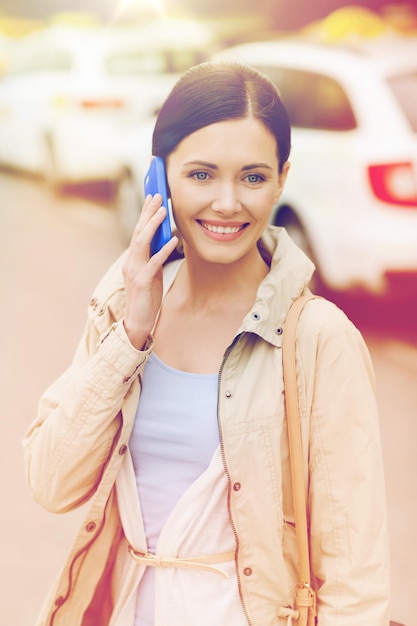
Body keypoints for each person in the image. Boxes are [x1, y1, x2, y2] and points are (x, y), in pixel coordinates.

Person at [23, 61, 390, 626]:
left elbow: (354, 577)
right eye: (200, 175)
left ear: (281, 178)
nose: (226, 203)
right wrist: (131, 337)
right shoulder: (123, 304)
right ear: (159, 176)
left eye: (252, 177)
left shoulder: (319, 339)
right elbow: (51, 482)